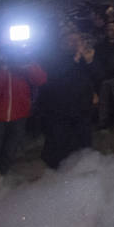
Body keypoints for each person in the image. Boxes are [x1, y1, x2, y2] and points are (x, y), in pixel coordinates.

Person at [0, 40, 47, 175]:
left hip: (19, 112)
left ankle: (1, 177)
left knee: (10, 150)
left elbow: (41, 79)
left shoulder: (23, 57)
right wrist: (3, 68)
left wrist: (27, 63)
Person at [41, 33, 99, 168]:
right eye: (70, 40)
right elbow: (55, 76)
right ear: (62, 43)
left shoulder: (87, 57)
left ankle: (82, 169)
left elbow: (99, 75)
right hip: (60, 108)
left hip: (82, 107)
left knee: (83, 141)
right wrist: (75, 59)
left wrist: (90, 61)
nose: (74, 43)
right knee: (60, 142)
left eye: (77, 40)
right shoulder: (53, 57)